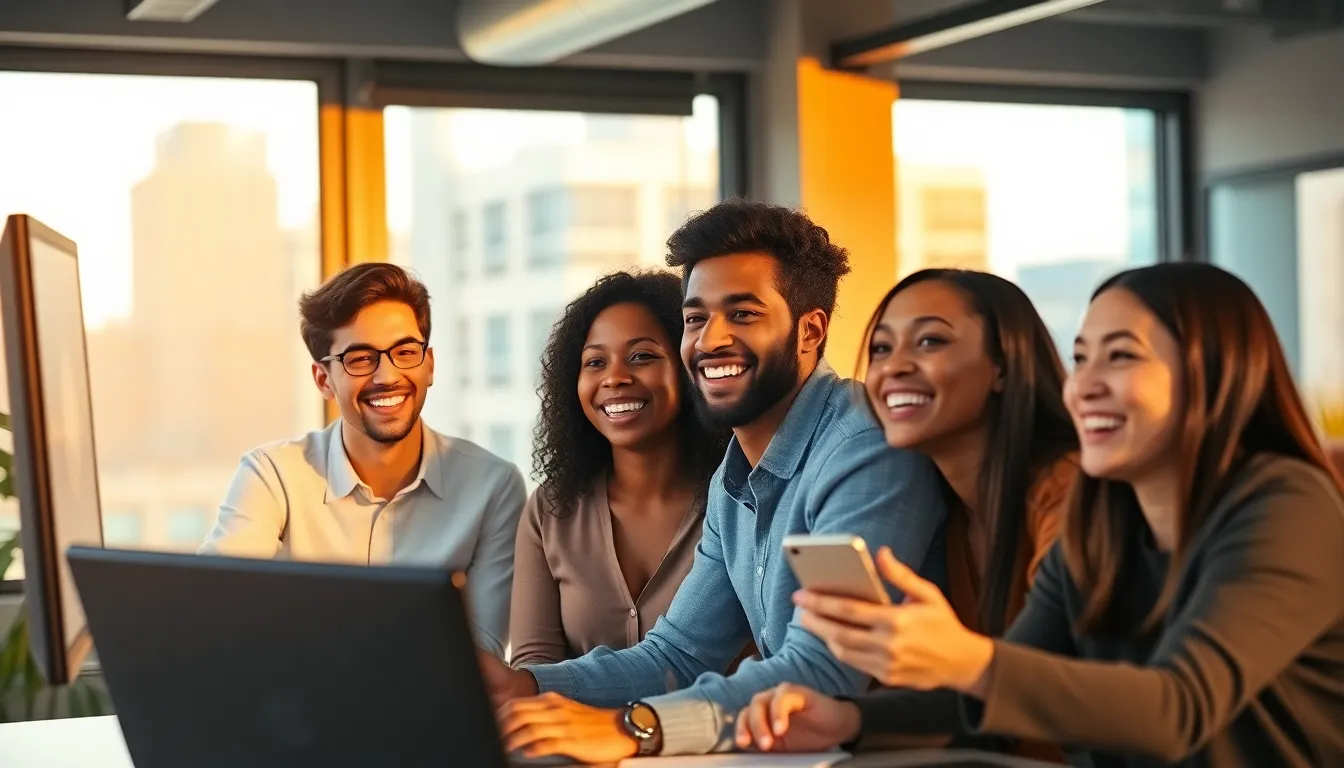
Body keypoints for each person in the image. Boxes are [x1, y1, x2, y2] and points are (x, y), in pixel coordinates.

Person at [737, 262, 1344, 767]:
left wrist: (968, 658)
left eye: (1122, 357)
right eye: (1082, 359)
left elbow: (1178, 708)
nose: (1085, 385)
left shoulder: (1286, 506)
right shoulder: (1100, 515)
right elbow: (994, 700)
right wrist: (845, 717)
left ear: (1214, 373)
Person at [482, 200, 948, 763]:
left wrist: (639, 728)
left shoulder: (862, 447)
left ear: (810, 331)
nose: (710, 340)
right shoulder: (735, 477)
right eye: (696, 317)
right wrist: (526, 686)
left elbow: (822, 670)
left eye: (744, 314)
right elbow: (677, 653)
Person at [804, 268, 1077, 761]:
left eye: (929, 342)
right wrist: (844, 719)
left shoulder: (1065, 489)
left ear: (1004, 366)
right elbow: (974, 701)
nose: (894, 368)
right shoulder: (947, 505)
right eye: (882, 349)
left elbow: (1026, 679)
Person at [200, 263, 527, 657]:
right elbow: (216, 617)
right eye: (359, 359)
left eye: (406, 352)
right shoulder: (272, 476)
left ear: (429, 365)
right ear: (323, 380)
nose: (387, 375)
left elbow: (482, 657)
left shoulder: (493, 487)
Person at [508, 270, 730, 667]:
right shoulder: (551, 510)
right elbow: (533, 669)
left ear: (687, 366)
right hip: (575, 730)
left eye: (642, 356)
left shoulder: (738, 499)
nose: (614, 378)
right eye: (595, 362)